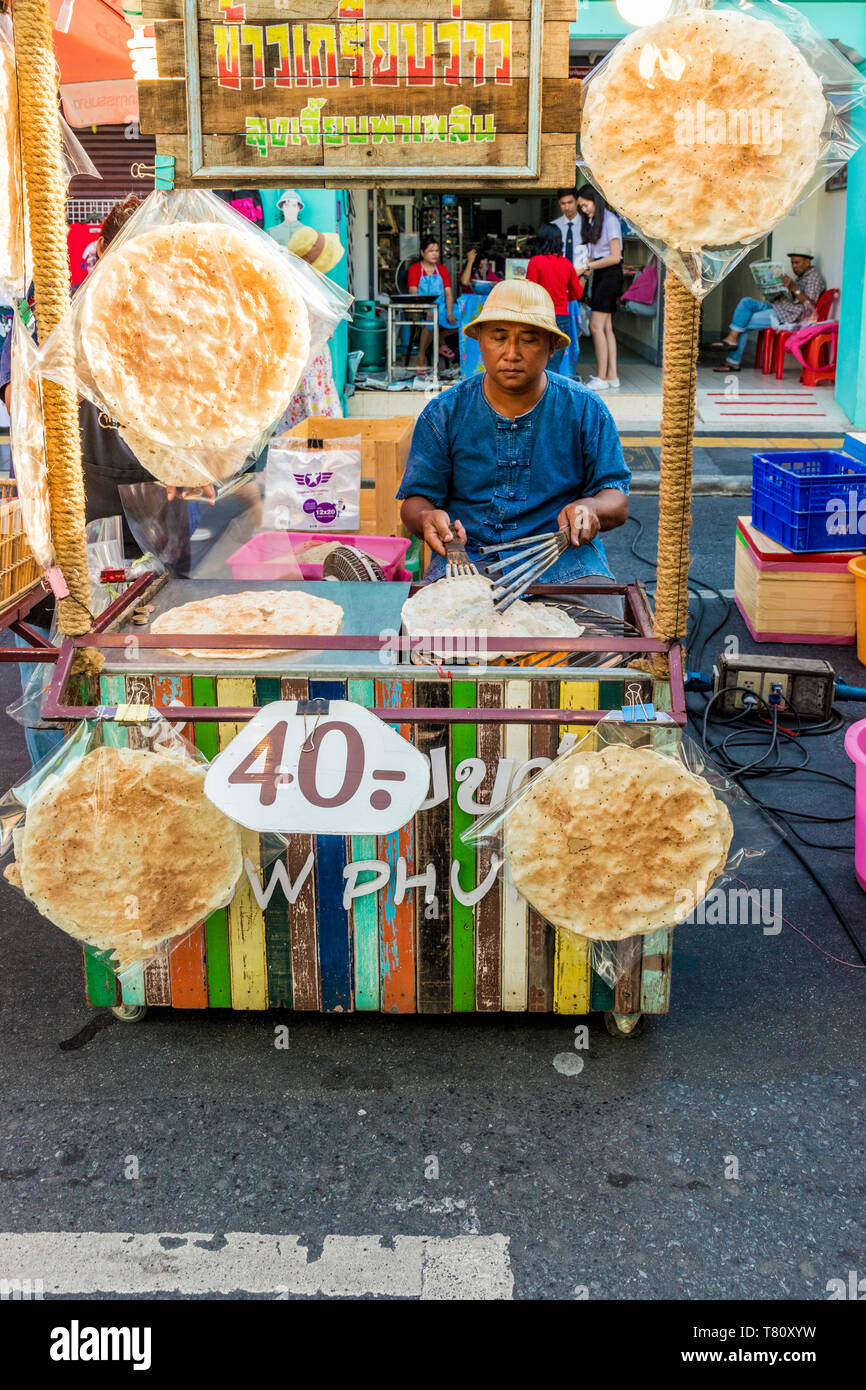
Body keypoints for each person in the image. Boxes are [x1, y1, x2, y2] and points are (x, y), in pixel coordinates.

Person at [397, 279, 630, 609]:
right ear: (481, 342)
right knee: (428, 643)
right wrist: (427, 518)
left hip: (564, 561)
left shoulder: (585, 409)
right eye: (499, 337)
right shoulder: (444, 413)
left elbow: (616, 499)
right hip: (466, 559)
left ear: (551, 346)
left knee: (603, 643)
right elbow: (414, 501)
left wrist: (590, 509)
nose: (511, 353)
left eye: (529, 340)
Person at [710, 249, 826, 371]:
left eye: (797, 263)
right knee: (746, 302)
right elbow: (793, 296)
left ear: (808, 262)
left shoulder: (813, 278)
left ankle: (732, 361)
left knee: (744, 321)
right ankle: (731, 339)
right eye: (792, 263)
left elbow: (811, 305)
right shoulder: (800, 277)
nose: (794, 266)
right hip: (780, 306)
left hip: (789, 314)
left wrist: (793, 288)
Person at [575, 184, 623, 392]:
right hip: (601, 273)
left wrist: (587, 266)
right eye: (582, 207)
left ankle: (602, 377)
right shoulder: (594, 220)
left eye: (586, 205)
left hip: (610, 274)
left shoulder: (610, 221)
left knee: (596, 326)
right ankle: (612, 375)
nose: (584, 210)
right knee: (606, 328)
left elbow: (614, 257)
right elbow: (594, 255)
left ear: (595, 200)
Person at [525, 223, 584, 376]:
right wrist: (563, 297)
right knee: (554, 365)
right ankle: (552, 397)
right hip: (562, 318)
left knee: (536, 362)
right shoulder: (566, 264)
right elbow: (577, 294)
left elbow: (530, 292)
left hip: (540, 317)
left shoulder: (535, 262)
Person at [408, 237, 457, 367]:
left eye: (436, 250)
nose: (435, 254)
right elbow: (413, 293)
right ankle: (421, 354)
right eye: (430, 251)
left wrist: (450, 312)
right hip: (420, 305)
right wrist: (426, 308)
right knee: (431, 319)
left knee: (464, 318)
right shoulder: (415, 269)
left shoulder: (442, 269)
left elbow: (448, 293)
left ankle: (441, 338)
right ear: (422, 253)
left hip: (441, 306)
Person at [552, 187, 589, 275]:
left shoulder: (587, 225)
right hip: (558, 277)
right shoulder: (553, 226)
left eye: (570, 202)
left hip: (582, 276)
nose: (567, 207)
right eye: (563, 203)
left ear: (577, 201)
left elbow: (592, 255)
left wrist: (583, 279)